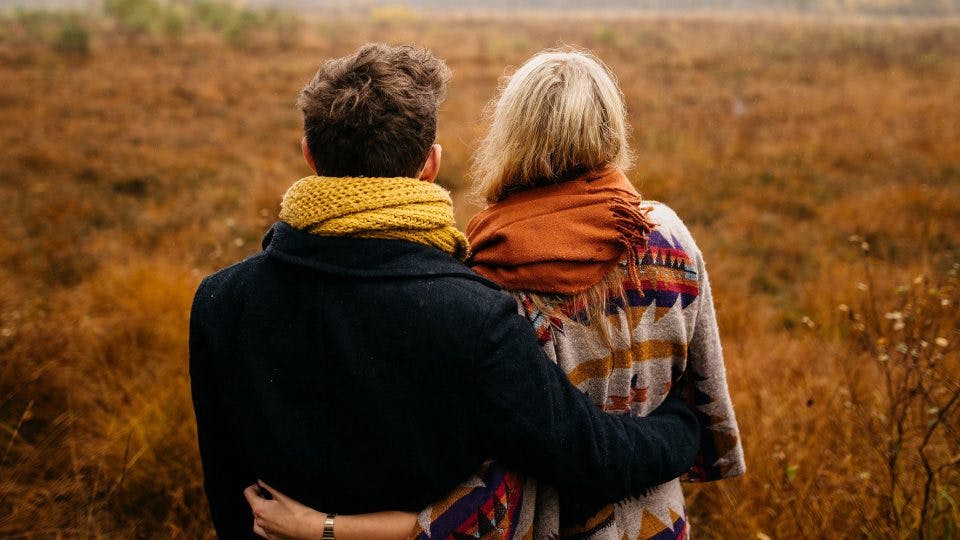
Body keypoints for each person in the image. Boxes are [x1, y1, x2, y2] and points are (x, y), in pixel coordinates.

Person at [189, 43, 702, 540]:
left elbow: (228, 492)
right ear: (430, 163)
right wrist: (682, 428)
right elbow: (591, 456)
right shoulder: (474, 314)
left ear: (309, 155)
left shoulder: (219, 302)